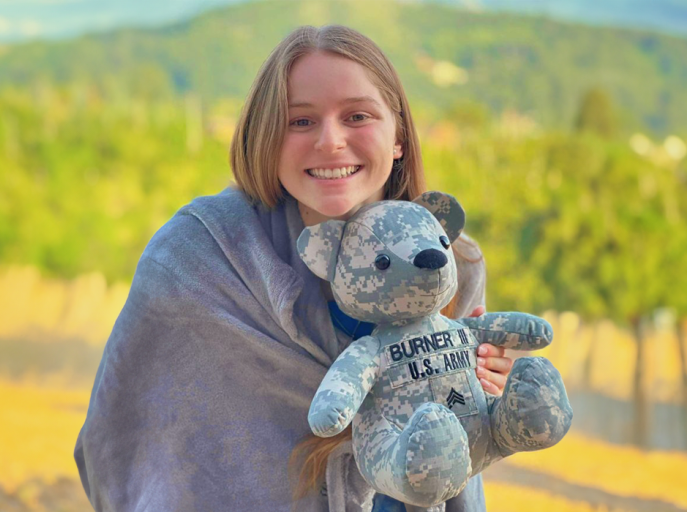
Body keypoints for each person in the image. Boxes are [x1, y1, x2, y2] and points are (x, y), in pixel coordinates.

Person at [74, 24, 512, 512]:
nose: (330, 141)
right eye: (299, 121)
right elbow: (119, 439)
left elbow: (465, 447)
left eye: (358, 116)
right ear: (267, 137)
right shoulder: (195, 257)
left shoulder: (454, 260)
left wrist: (485, 394)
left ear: (399, 138)